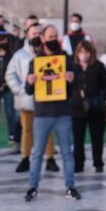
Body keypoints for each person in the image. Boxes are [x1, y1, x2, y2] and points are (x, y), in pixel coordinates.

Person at [23, 25, 78, 201]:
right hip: (42, 114)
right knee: (37, 153)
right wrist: (30, 82)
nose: (53, 39)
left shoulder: (66, 60)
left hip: (63, 112)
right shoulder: (35, 61)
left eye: (56, 36)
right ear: (44, 38)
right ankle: (33, 187)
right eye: (50, 36)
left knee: (66, 153)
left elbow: (76, 87)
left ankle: (70, 186)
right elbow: (28, 90)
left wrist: (72, 80)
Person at [10, 26, 60, 174]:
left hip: (47, 100)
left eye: (39, 33)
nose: (36, 36)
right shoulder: (20, 55)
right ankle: (25, 158)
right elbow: (10, 74)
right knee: (27, 130)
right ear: (28, 35)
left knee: (48, 130)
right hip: (28, 100)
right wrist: (21, 89)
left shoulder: (49, 53)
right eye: (34, 34)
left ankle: (50, 158)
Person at [70, 38, 106, 175]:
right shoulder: (73, 68)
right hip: (77, 107)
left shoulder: (99, 66)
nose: (84, 55)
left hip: (96, 107)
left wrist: (101, 98)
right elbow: (68, 86)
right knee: (78, 138)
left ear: (91, 53)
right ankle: (78, 163)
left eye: (87, 52)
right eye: (81, 52)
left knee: (97, 137)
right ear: (77, 53)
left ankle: (98, 162)